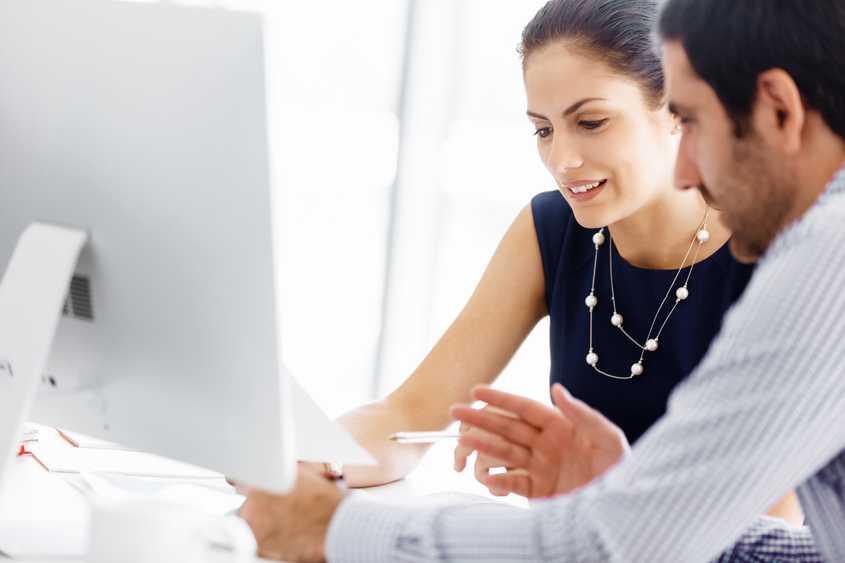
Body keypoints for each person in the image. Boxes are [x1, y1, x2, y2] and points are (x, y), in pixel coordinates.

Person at [238, 0, 845, 561]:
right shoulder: (555, 228)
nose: (561, 160)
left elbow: (615, 543)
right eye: (544, 129)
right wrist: (627, 493)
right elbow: (804, 550)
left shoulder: (812, 255)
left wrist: (334, 528)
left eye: (592, 122)